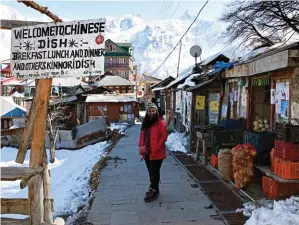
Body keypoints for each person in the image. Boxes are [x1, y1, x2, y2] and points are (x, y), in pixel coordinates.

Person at [138, 102, 168, 202]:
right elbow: (142, 136)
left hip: (157, 152)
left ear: (156, 112)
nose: (151, 113)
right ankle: (156, 188)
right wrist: (141, 148)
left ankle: (153, 189)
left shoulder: (160, 123)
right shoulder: (145, 123)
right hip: (147, 151)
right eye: (149, 111)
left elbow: (164, 136)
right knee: (152, 171)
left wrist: (156, 148)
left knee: (153, 171)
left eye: (153, 111)